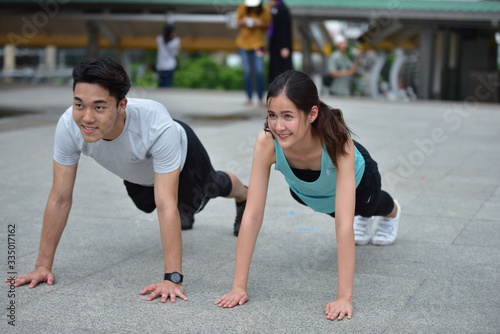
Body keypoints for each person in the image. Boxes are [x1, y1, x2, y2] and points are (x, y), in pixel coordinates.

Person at [9, 57, 248, 303]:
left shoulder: (156, 126)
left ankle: (243, 194)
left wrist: (172, 278)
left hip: (185, 156)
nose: (87, 118)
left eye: (99, 107)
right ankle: (184, 214)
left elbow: (166, 203)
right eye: (79, 104)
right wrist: (42, 265)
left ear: (121, 105)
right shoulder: (69, 125)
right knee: (145, 204)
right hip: (139, 169)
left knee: (202, 193)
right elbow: (59, 198)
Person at [214, 70, 401, 320]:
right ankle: (362, 217)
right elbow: (253, 214)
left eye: (288, 116)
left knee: (367, 207)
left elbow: (343, 224)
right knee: (330, 206)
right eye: (272, 115)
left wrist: (344, 297)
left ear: (312, 113)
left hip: (360, 183)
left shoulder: (338, 142)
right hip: (314, 193)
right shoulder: (266, 143)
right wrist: (238, 287)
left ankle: (393, 212)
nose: (278, 126)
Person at [235, 0, 272, 107]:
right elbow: (237, 22)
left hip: (258, 45)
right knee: (247, 71)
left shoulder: (265, 10)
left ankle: (261, 98)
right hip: (243, 45)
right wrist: (245, 21)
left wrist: (260, 23)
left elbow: (269, 26)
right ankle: (249, 97)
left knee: (259, 71)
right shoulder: (242, 7)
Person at [267, 0, 293, 85]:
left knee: (282, 72)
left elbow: (285, 30)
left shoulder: (283, 10)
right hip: (275, 46)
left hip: (281, 47)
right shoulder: (274, 9)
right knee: (275, 71)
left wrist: (285, 46)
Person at [156, 23, 180, 87]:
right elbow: (175, 53)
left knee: (160, 84)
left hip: (160, 66)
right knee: (167, 85)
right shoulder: (176, 41)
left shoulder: (159, 39)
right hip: (170, 65)